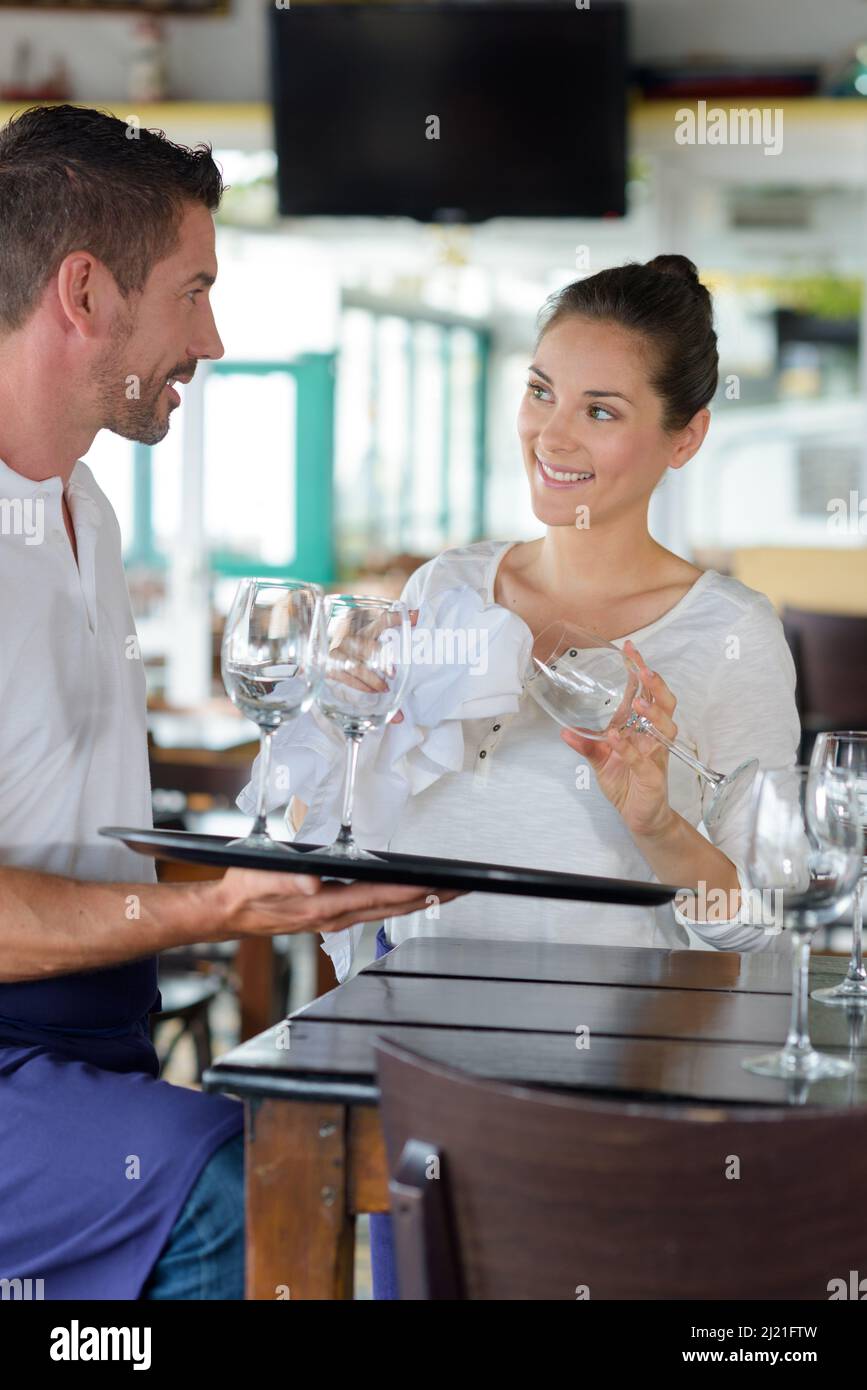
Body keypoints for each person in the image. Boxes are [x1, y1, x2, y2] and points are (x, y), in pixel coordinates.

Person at [262, 256, 801, 1298]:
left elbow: (759, 923)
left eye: (600, 409)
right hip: (417, 1086)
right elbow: (337, 837)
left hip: (617, 1109)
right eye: (541, 390)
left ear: (684, 436)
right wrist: (338, 720)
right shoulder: (446, 589)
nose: (551, 436)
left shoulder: (731, 636)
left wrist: (654, 821)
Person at [0, 104, 451, 1301]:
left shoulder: (79, 506)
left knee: (365, 1150)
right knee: (229, 1190)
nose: (213, 333)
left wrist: (281, 864)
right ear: (84, 292)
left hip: (89, 1035)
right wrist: (232, 907)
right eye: (192, 288)